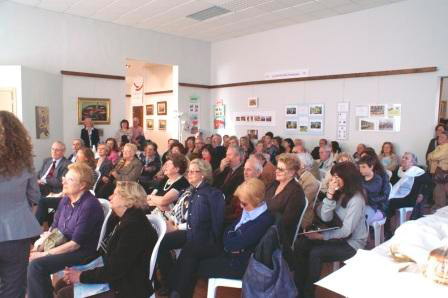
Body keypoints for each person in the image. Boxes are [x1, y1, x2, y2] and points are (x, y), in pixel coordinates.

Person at [55, 181, 158, 298]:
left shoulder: (134, 227)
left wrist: (81, 276)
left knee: (64, 294)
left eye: (115, 194)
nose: (110, 197)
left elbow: (116, 268)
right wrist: (79, 270)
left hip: (125, 287)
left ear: (129, 201)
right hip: (117, 278)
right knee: (61, 284)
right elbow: (106, 256)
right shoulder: (125, 219)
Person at [27, 163, 104, 298]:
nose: (64, 181)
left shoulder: (89, 205)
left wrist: (44, 254)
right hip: (63, 245)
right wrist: (39, 247)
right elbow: (54, 229)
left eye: (70, 179)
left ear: (82, 185)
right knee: (29, 257)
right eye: (65, 178)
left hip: (82, 252)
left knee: (37, 265)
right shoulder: (66, 200)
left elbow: (75, 244)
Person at [294, 162, 368, 298]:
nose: (334, 180)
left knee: (316, 253)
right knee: (301, 244)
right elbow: (325, 218)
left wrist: (321, 237)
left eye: (338, 177)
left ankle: (307, 294)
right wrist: (329, 195)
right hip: (334, 235)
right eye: (333, 176)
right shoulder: (339, 192)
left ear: (348, 178)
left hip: (351, 243)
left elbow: (346, 231)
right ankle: (298, 289)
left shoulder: (356, 199)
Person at [191, 179, 274, 297]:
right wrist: (231, 239)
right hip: (231, 255)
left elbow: (233, 244)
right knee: (192, 254)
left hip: (240, 266)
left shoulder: (263, 221)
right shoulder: (250, 211)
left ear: (256, 200)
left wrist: (230, 240)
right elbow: (228, 230)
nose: (241, 206)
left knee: (195, 265)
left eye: (244, 203)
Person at [156, 159, 225, 296]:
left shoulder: (213, 194)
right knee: (161, 243)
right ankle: (167, 282)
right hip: (189, 233)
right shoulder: (192, 191)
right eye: (189, 171)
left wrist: (212, 240)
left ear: (204, 174)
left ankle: (176, 291)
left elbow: (217, 223)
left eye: (194, 171)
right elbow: (189, 220)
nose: (190, 174)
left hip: (205, 238)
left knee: (189, 251)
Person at [0, 111, 42, 298]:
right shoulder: (25, 162)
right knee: (14, 286)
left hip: (16, 231)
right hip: (17, 232)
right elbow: (34, 197)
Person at [384, 153, 432, 238]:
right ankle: (386, 228)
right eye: (403, 157)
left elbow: (431, 184)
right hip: (397, 195)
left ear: (412, 162)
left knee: (389, 202)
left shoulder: (417, 172)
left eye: (406, 158)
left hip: (411, 197)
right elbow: (392, 184)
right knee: (385, 200)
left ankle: (386, 228)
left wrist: (422, 194)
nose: (403, 159)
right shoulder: (398, 171)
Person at [265, 153, 306, 252]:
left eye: (281, 169)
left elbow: (286, 223)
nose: (276, 171)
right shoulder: (274, 183)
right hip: (266, 225)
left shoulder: (296, 193)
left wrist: (261, 224)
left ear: (292, 172)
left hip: (278, 234)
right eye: (277, 168)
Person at [35, 141, 72, 225]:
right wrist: (34, 179)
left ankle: (36, 225)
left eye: (57, 150)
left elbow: (60, 182)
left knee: (40, 199)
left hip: (54, 191)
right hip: (41, 187)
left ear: (63, 151)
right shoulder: (47, 160)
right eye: (52, 149)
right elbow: (40, 173)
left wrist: (44, 181)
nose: (54, 152)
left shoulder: (67, 164)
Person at [359, 155, 388, 225]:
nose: (360, 170)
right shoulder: (360, 177)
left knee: (360, 221)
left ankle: (363, 234)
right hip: (361, 204)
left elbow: (370, 189)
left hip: (373, 206)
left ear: (371, 167)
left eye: (363, 167)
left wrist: (357, 186)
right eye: (360, 167)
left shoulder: (377, 179)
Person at [297, 152, 321, 229]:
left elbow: (301, 204)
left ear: (303, 166)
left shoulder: (311, 182)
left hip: (302, 217)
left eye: (296, 162)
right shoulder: (299, 176)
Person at [427, 131, 448, 210]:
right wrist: (431, 156)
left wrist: (432, 157)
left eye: (443, 137)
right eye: (439, 137)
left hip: (442, 173)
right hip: (437, 173)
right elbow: (429, 155)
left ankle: (439, 211)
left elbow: (434, 156)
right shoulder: (439, 147)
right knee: (437, 192)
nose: (440, 138)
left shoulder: (446, 147)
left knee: (440, 193)